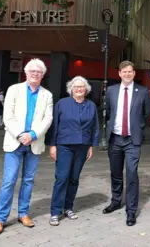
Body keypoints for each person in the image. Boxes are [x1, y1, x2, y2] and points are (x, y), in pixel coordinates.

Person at [0, 59, 53, 235]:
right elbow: (8, 116)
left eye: (39, 71)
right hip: (14, 142)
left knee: (28, 180)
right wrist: (21, 135)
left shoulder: (47, 95)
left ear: (43, 75)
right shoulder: (14, 90)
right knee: (9, 181)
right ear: (26, 73)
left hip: (34, 143)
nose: (35, 73)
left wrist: (32, 135)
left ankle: (23, 214)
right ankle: (0, 219)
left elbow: (47, 119)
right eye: (32, 71)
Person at [102, 60, 150, 227]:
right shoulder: (111, 91)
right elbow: (109, 111)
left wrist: (137, 127)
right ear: (120, 73)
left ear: (134, 73)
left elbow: (146, 113)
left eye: (130, 71)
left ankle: (131, 210)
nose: (127, 74)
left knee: (131, 173)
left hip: (132, 140)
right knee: (115, 172)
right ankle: (116, 201)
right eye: (124, 72)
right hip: (115, 138)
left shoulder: (143, 91)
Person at [48, 76, 99, 226]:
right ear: (71, 89)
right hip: (64, 145)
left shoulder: (91, 106)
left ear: (86, 89)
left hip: (82, 146)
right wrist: (52, 145)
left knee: (74, 178)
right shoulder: (62, 104)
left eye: (81, 87)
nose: (78, 89)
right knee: (62, 177)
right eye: (76, 87)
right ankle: (55, 211)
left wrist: (91, 145)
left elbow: (94, 126)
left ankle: (68, 207)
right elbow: (54, 125)